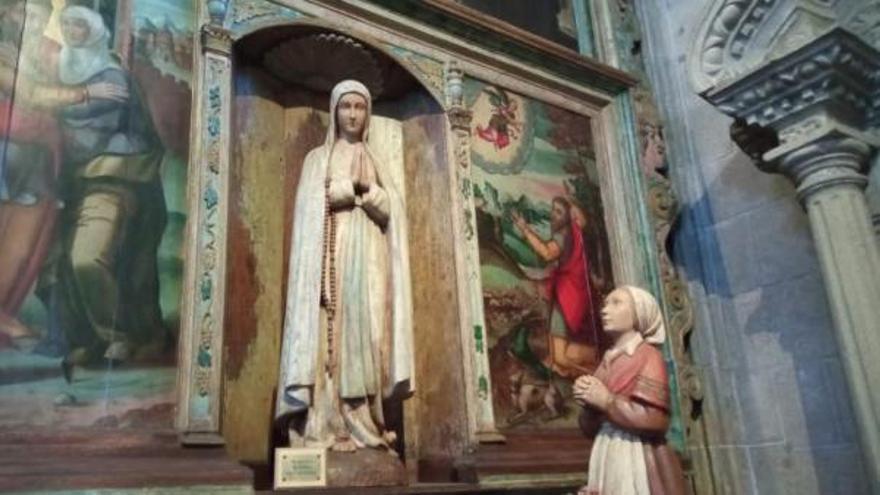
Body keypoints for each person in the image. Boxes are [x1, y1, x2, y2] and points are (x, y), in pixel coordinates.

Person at [276, 80, 413, 454]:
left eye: (360, 107)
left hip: (369, 259)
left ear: (367, 113)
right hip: (329, 258)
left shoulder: (377, 158)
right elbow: (309, 209)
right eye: (346, 107)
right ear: (334, 111)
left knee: (369, 338)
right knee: (327, 340)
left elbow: (393, 214)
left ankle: (366, 423)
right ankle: (324, 425)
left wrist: (369, 194)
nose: (353, 114)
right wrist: (340, 190)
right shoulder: (317, 159)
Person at [41, 5, 166, 378]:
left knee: (87, 258)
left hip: (109, 178)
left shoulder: (110, 74)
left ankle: (118, 334)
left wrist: (50, 114)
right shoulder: (59, 67)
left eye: (81, 23)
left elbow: (92, 124)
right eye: (67, 23)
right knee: (54, 266)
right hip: (64, 185)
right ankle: (86, 339)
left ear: (96, 30)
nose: (73, 30)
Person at [0, 1, 126, 346]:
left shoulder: (45, 51)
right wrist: (85, 92)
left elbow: (78, 65)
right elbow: (30, 94)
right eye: (19, 12)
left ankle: (5, 312)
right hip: (8, 147)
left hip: (39, 153)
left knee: (28, 243)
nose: (29, 21)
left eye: (41, 16)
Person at [573, 286, 686, 495]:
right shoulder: (607, 361)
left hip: (635, 453)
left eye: (616, 303)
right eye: (605, 304)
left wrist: (606, 401)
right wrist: (587, 403)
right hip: (606, 448)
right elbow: (590, 427)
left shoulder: (648, 356)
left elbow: (655, 420)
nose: (605, 310)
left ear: (639, 312)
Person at [511, 196, 598, 377]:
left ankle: (597, 372)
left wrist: (525, 229)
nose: (553, 215)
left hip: (568, 295)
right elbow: (582, 222)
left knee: (559, 359)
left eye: (559, 212)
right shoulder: (576, 232)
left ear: (567, 216)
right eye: (553, 209)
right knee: (556, 361)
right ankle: (590, 366)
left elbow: (547, 253)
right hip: (572, 292)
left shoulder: (564, 234)